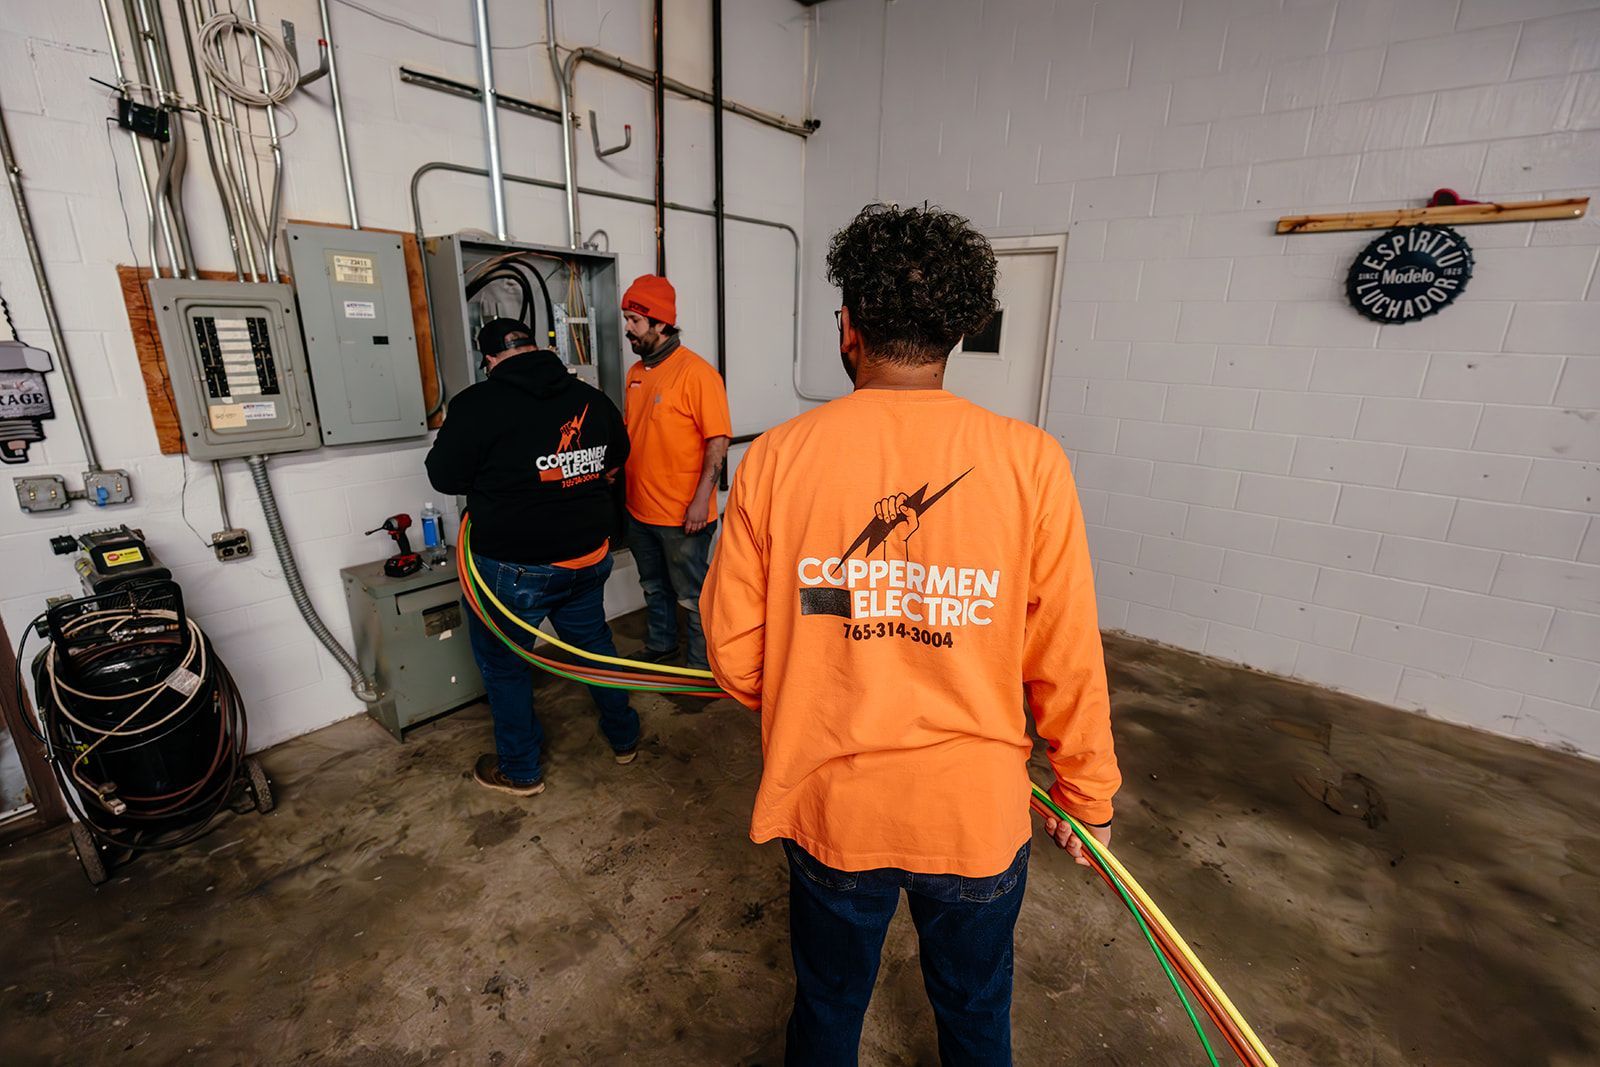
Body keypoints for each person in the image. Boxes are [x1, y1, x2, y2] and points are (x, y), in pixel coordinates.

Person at [700, 204, 1121, 1064]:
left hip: (832, 804)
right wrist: (1088, 795)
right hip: (973, 814)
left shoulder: (777, 456)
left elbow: (735, 652)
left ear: (848, 326)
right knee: (974, 1014)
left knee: (825, 1007)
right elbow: (1067, 652)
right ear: (960, 330)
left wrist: (808, 688)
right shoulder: (1032, 459)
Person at [426, 318, 640, 796]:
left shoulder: (477, 405)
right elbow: (617, 453)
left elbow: (444, 477)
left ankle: (522, 771)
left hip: (514, 569)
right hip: (586, 559)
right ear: (535, 348)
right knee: (595, 650)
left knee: (506, 668)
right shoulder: (588, 396)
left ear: (489, 361)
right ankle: (624, 736)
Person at [620, 274, 732, 671]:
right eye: (627, 319)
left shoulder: (697, 374)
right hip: (638, 511)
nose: (628, 329)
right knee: (654, 588)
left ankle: (702, 669)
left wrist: (703, 499)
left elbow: (717, 442)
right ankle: (661, 645)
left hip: (683, 515)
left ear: (660, 323)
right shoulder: (635, 374)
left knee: (693, 596)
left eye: (635, 320)